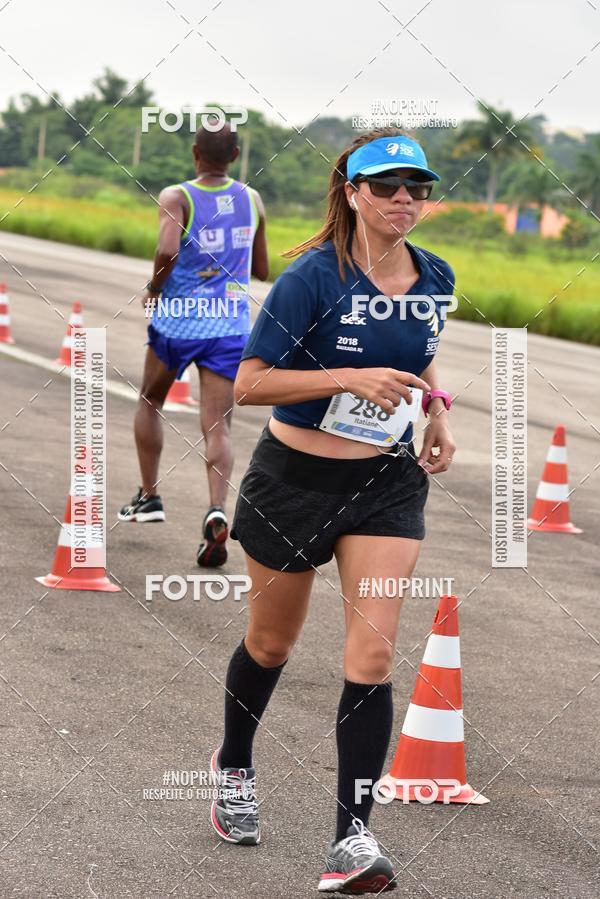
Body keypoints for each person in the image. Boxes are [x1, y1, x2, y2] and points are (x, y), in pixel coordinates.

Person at [210, 129, 456, 893]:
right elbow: (248, 382)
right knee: (272, 642)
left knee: (373, 656)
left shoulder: (437, 274)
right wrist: (345, 378)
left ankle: (353, 838)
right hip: (293, 481)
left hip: (385, 485)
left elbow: (419, 350)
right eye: (387, 187)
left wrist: (438, 407)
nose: (404, 201)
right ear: (353, 193)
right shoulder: (311, 279)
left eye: (416, 187)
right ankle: (234, 764)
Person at [119, 120, 268, 568]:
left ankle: (149, 497)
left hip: (179, 321)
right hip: (230, 323)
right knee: (218, 423)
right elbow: (261, 267)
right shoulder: (253, 198)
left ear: (194, 153)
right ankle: (217, 508)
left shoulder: (176, 196)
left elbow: (167, 251)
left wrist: (154, 289)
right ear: (237, 156)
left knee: (150, 399)